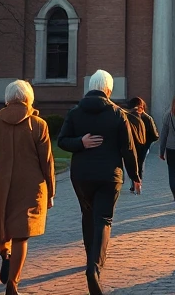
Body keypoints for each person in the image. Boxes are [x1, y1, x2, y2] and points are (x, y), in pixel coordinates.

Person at [57, 69, 141, 295]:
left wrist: (80, 142)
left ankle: (89, 258)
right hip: (109, 175)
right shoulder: (117, 114)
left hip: (81, 176)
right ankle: (94, 267)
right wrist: (135, 176)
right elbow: (128, 148)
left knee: (88, 215)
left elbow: (62, 141)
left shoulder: (75, 112)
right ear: (108, 90)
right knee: (103, 219)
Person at [0, 80, 55, 295]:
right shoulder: (38, 125)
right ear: (28, 98)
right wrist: (50, 191)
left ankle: (4, 253)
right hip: (30, 187)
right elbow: (46, 162)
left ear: (7, 99)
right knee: (21, 236)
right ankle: (13, 284)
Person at [125, 97, 159, 194]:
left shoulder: (127, 117)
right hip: (144, 146)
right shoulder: (147, 118)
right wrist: (148, 142)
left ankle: (133, 182)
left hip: (130, 144)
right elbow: (155, 135)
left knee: (131, 162)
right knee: (140, 164)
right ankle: (138, 183)